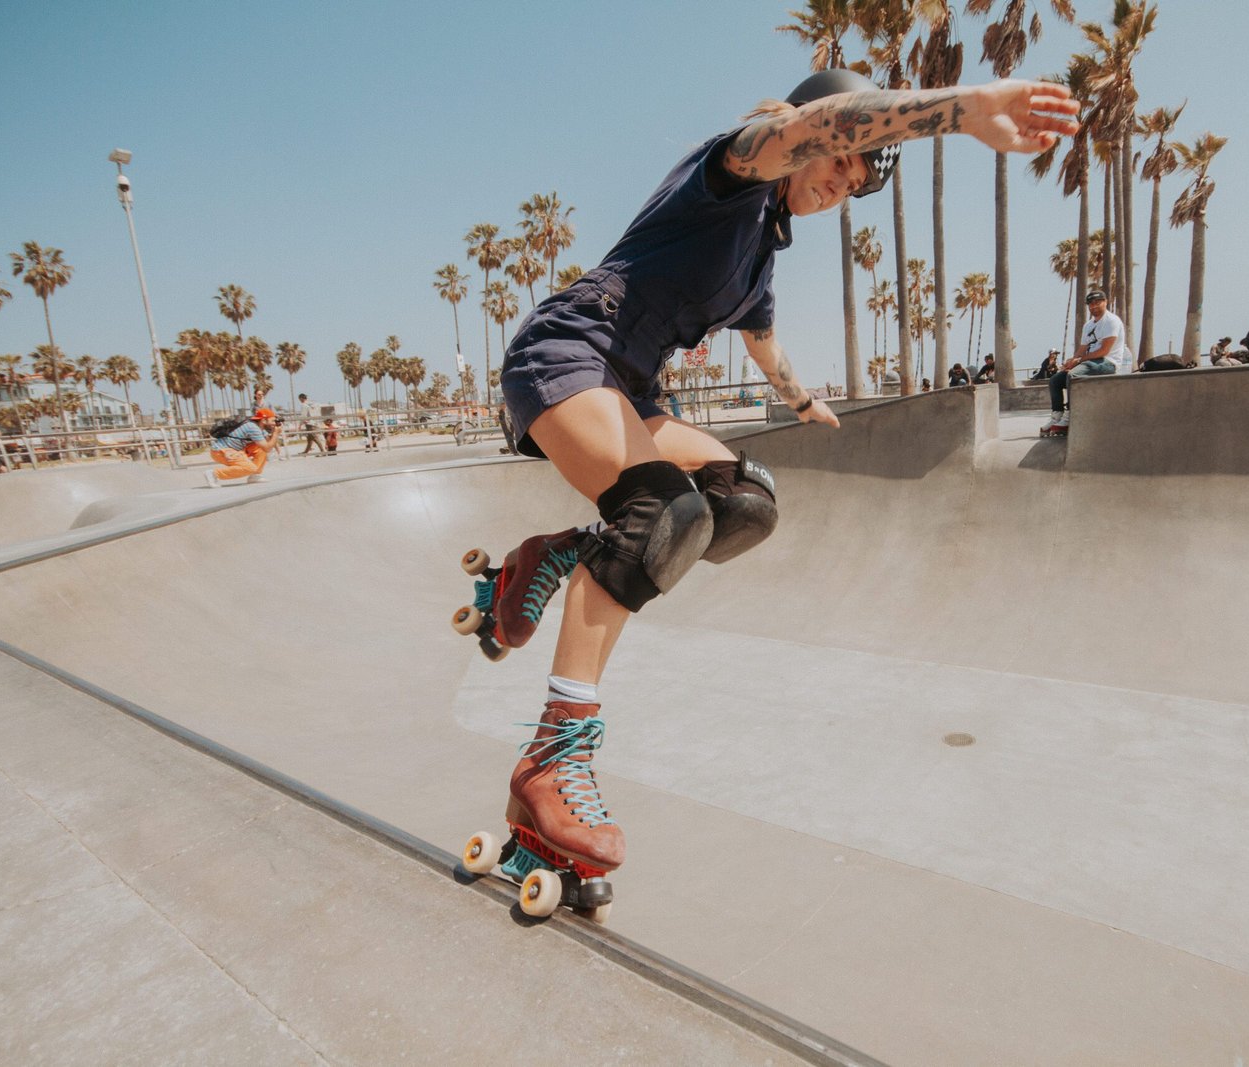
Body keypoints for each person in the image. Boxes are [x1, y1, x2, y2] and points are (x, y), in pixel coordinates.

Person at [476, 67, 1079, 889]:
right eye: (837, 164)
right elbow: (821, 125)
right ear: (804, 135)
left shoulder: (762, 251)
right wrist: (964, 111)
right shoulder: (733, 170)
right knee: (662, 513)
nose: (838, 184)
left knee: (745, 499)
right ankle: (551, 756)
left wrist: (800, 399)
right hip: (567, 356)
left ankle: (555, 557)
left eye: (854, 182)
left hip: (631, 393)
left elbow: (761, 340)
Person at [1042, 289, 1121, 434]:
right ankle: (1057, 416)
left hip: (1108, 363)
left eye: (1098, 302)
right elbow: (1082, 349)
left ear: (1106, 302)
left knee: (1073, 375)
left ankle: (1071, 415)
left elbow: (1104, 351)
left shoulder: (1112, 321)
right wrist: (1071, 362)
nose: (1094, 306)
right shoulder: (1088, 325)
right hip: (1089, 363)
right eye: (1091, 304)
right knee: (1055, 380)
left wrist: (1079, 361)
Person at [204, 407, 280, 487]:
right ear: (264, 420)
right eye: (273, 421)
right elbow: (267, 448)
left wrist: (276, 444)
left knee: (261, 449)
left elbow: (267, 442)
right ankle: (213, 474)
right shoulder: (253, 428)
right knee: (250, 468)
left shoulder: (258, 426)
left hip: (234, 450)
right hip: (221, 451)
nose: (274, 423)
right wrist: (276, 434)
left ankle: (254, 476)